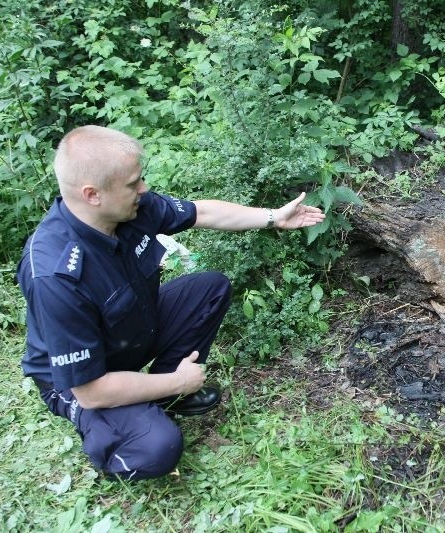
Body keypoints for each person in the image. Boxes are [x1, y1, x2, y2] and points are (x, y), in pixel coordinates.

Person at [17, 125, 325, 480]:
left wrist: (273, 217)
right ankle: (120, 431)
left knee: (209, 289)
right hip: (80, 382)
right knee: (157, 449)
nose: (144, 189)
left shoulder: (130, 209)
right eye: (133, 183)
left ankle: (158, 397)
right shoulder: (55, 275)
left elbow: (202, 213)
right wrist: (180, 382)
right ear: (92, 194)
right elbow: (90, 390)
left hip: (130, 330)